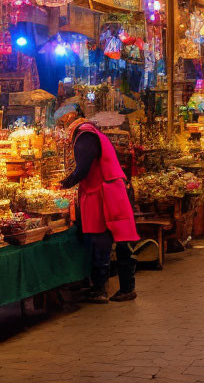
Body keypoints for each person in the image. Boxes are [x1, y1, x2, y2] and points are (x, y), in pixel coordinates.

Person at [58, 108, 139, 303]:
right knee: (120, 239)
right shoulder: (92, 132)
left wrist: (64, 183)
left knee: (102, 241)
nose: (63, 127)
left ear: (70, 119)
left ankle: (101, 289)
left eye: (62, 122)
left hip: (104, 192)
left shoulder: (85, 134)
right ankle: (125, 287)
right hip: (111, 189)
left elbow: (83, 169)